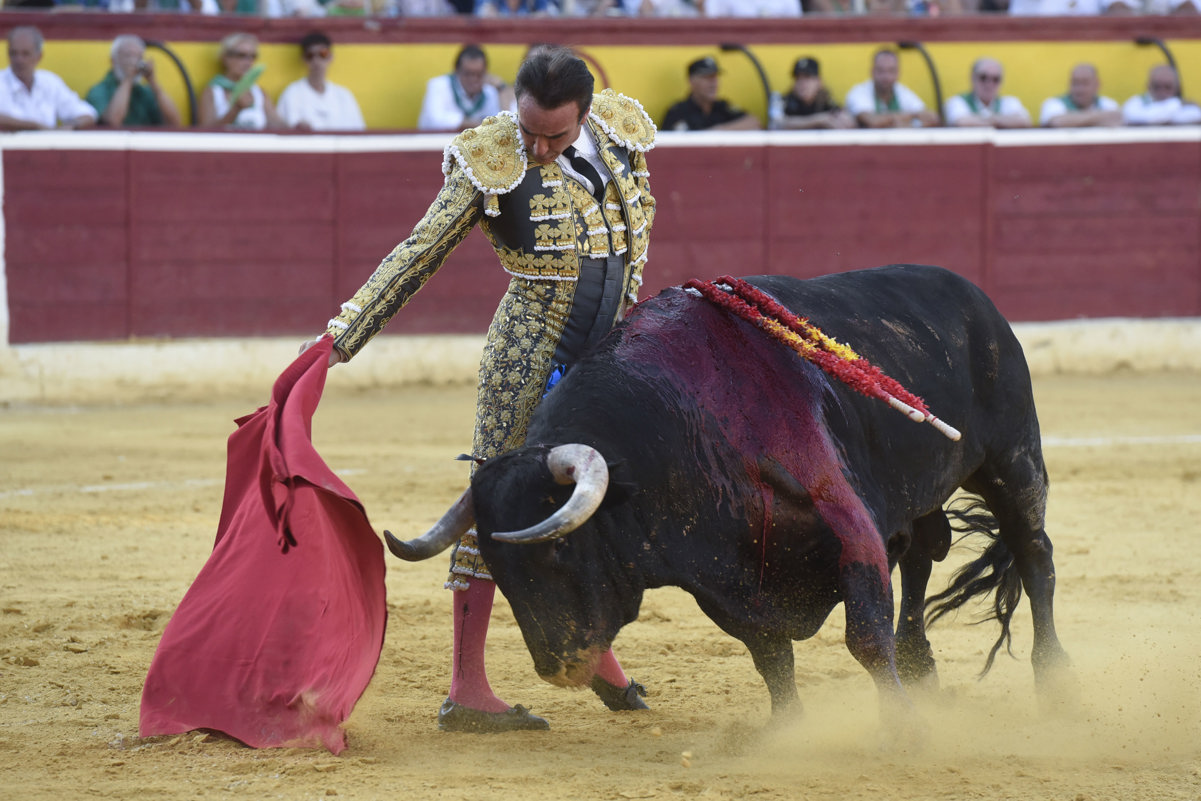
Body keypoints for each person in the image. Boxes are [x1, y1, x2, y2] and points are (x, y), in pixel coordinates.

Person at [300, 45, 657, 733]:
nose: (538, 147)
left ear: (583, 113)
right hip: (526, 351)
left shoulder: (619, 134)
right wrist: (339, 339)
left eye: (554, 134)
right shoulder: (491, 155)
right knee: (491, 500)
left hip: (604, 355)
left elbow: (629, 241)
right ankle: (466, 687)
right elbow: (418, 251)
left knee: (596, 499)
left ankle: (593, 652)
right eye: (529, 131)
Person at [0, 26, 97, 132]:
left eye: (25, 54)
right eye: (14, 53)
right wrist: (35, 127)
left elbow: (87, 113)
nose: (19, 60)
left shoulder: (49, 82)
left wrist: (71, 126)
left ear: (39, 56)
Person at [85, 35, 182, 128]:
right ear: (113, 61)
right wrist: (128, 79)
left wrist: (153, 83)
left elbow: (175, 123)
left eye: (138, 57)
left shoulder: (145, 92)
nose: (134, 61)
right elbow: (112, 122)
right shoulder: (99, 91)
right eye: (128, 56)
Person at [276, 32, 366, 131]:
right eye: (310, 55)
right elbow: (283, 132)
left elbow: (358, 132)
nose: (316, 61)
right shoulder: (292, 93)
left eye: (323, 54)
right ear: (304, 59)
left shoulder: (344, 95)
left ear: (331, 57)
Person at [197, 32, 285, 130]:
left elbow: (279, 126)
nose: (248, 62)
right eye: (241, 55)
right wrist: (235, 110)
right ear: (225, 58)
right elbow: (206, 131)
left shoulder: (258, 93)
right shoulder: (213, 92)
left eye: (252, 56)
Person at [844, 48, 939, 129]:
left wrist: (892, 122)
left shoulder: (902, 91)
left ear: (898, 73)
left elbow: (932, 118)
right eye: (881, 70)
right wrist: (911, 117)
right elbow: (873, 122)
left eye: (891, 71)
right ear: (872, 71)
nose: (886, 76)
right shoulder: (859, 91)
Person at [417, 44, 502, 131]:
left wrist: (501, 87)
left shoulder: (489, 92)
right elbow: (435, 121)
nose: (473, 79)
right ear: (456, 70)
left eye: (478, 74)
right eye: (468, 74)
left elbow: (498, 124)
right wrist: (473, 123)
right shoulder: (438, 85)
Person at [661, 56, 759, 132]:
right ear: (691, 81)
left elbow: (755, 123)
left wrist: (719, 130)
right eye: (707, 78)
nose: (713, 83)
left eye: (715, 77)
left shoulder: (722, 107)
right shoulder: (679, 112)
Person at [944, 57, 1031, 128]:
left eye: (995, 79)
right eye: (983, 77)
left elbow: (1025, 121)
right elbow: (961, 122)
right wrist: (1000, 121)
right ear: (972, 78)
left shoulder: (1009, 102)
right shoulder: (957, 101)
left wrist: (989, 120)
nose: (989, 84)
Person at [775, 57, 853, 130]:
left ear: (819, 81)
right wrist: (819, 120)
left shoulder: (826, 101)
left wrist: (843, 118)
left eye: (807, 77)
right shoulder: (784, 101)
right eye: (798, 78)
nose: (802, 83)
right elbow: (777, 124)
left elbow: (848, 123)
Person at [1039, 63, 1121, 128]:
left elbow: (1117, 118)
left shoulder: (1107, 103)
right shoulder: (1053, 103)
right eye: (1075, 83)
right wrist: (1100, 118)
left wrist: (1074, 120)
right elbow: (1058, 122)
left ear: (1097, 84)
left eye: (1085, 83)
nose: (1079, 89)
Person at [1122, 64, 1201, 126]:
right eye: (1156, 86)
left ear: (1177, 88)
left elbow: (1195, 114)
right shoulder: (1135, 102)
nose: (1162, 92)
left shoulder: (1188, 107)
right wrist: (1176, 106)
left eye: (1168, 87)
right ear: (1148, 87)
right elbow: (1132, 116)